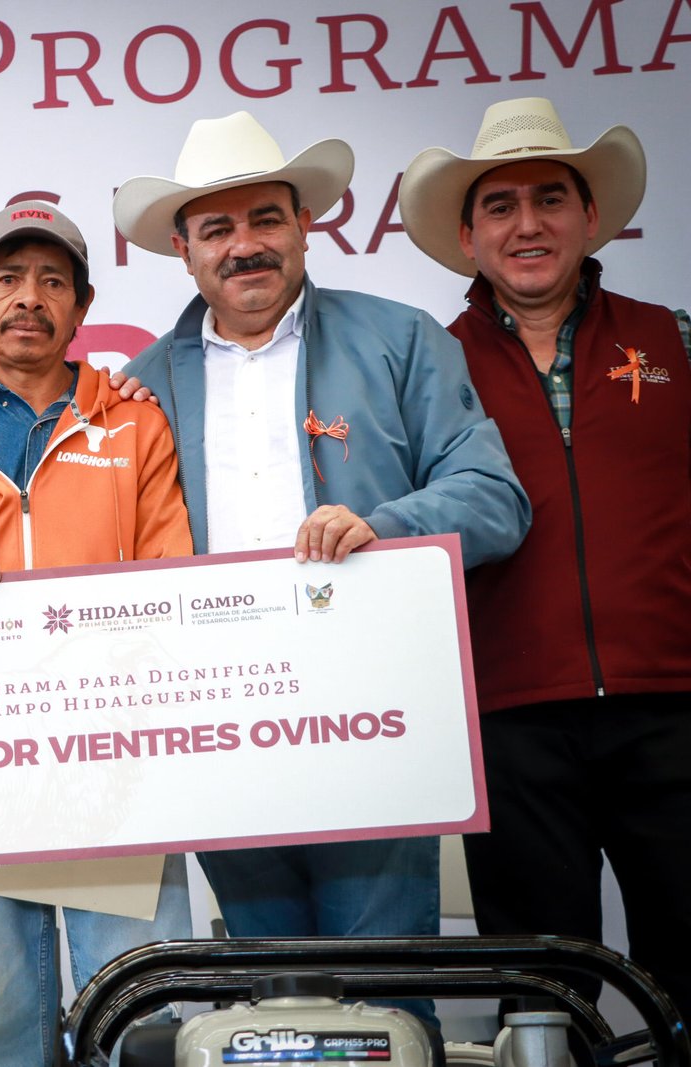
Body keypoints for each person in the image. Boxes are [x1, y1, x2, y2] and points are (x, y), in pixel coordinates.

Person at [114, 112, 530, 1022]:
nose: (245, 245)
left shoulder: (402, 338)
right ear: (184, 250)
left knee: (382, 994)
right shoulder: (137, 387)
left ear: (305, 224)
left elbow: (495, 499)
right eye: (217, 229)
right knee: (272, 1000)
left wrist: (383, 525)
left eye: (266, 218)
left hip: (375, 714)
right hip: (218, 725)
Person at [398, 97, 691, 1017]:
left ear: (591, 216)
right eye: (501, 205)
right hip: (506, 721)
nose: (527, 224)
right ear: (468, 236)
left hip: (674, 708)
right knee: (541, 998)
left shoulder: (675, 338)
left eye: (550, 199)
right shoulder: (424, 366)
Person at [0, 201, 193, 1066]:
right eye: (8, 279)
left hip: (118, 753)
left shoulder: (135, 422)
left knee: (142, 1011)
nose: (30, 298)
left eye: (54, 281)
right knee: (1, 1014)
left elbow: (172, 573)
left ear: (82, 305)